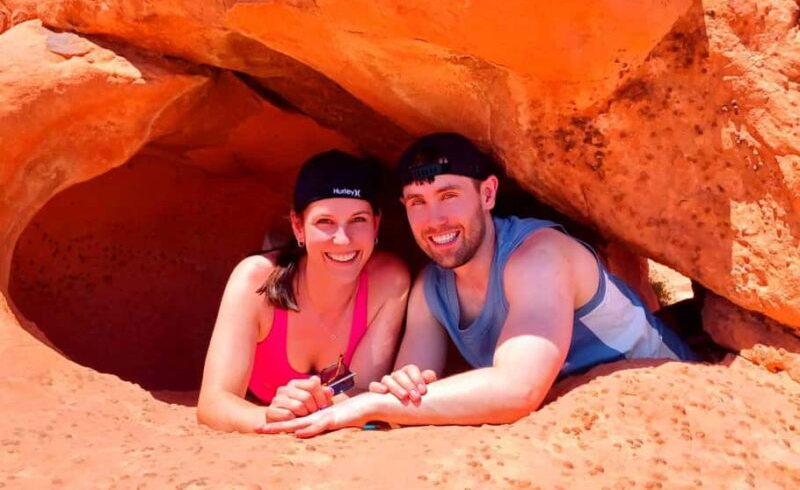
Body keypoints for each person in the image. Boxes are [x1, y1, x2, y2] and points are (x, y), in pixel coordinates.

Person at [258, 133, 698, 437]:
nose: (434, 221)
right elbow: (407, 388)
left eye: (449, 196)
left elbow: (517, 389)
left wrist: (374, 406)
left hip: (675, 402)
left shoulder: (537, 256)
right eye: (418, 203)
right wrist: (376, 394)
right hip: (583, 419)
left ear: (487, 195)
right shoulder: (433, 288)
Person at [197, 150, 410, 433]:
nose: (343, 239)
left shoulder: (389, 283)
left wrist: (311, 414)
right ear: (298, 226)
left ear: (376, 224)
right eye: (325, 222)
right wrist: (273, 418)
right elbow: (214, 403)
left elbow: (361, 390)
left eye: (358, 220)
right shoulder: (256, 281)